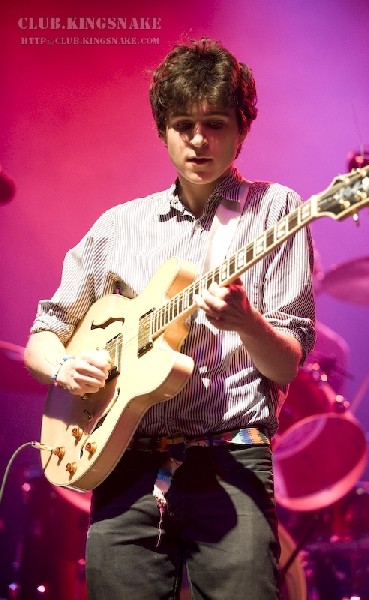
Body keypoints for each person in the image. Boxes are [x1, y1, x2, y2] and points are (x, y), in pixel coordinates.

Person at [24, 38, 315, 600]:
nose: (199, 139)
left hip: (232, 461)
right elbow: (43, 336)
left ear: (241, 129)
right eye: (184, 124)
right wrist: (64, 368)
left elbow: (285, 367)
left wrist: (248, 323)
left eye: (215, 122)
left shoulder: (277, 212)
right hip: (124, 463)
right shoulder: (116, 227)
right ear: (163, 131)